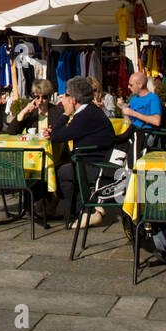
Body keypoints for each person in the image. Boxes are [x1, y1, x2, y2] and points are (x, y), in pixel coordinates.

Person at [49, 76, 121, 223]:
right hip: (98, 160)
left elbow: (56, 136)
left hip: (98, 166)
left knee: (60, 173)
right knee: (65, 169)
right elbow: (62, 133)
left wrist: (65, 113)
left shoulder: (85, 115)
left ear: (74, 99)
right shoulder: (90, 111)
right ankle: (79, 210)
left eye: (67, 95)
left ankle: (84, 212)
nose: (64, 97)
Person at [120, 71, 162, 155]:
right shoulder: (134, 99)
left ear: (140, 85)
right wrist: (124, 110)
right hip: (133, 132)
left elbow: (157, 121)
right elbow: (129, 123)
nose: (128, 87)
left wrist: (133, 113)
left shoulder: (153, 98)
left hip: (146, 133)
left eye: (131, 85)